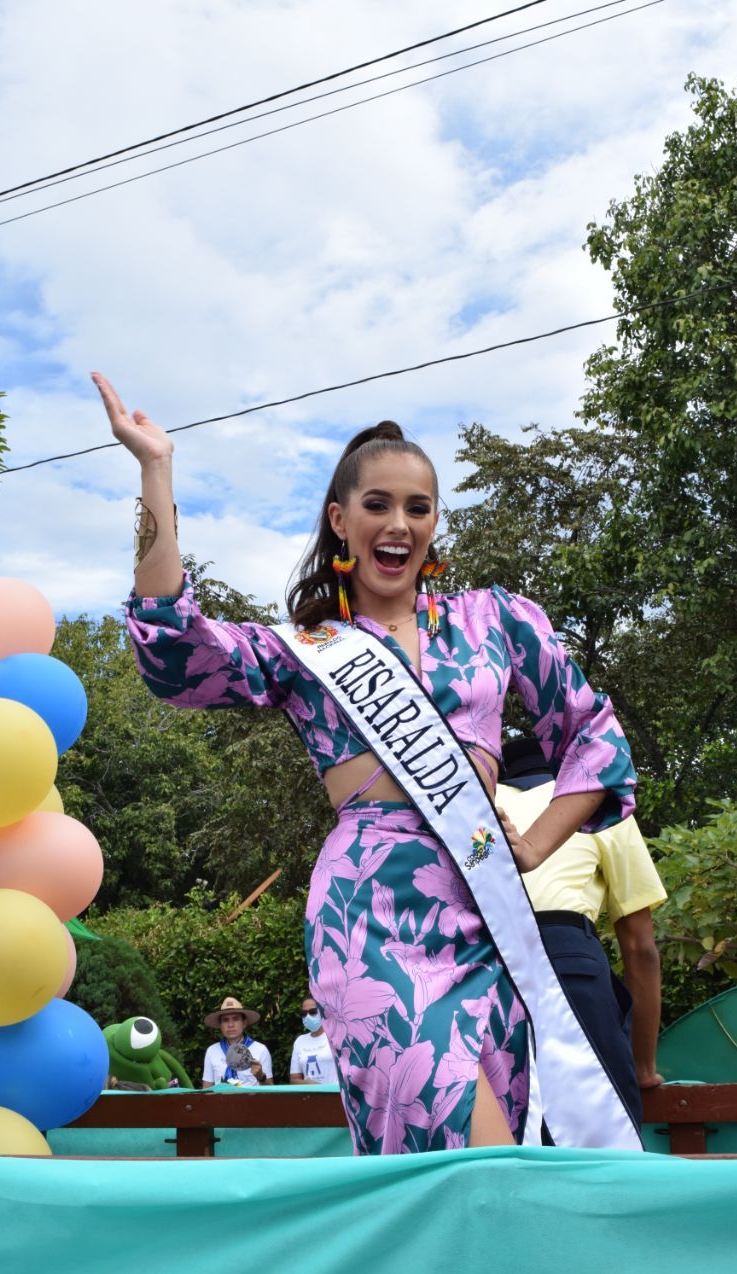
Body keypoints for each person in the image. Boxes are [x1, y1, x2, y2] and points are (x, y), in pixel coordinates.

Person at [95, 371, 639, 1155]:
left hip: (482, 905)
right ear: (339, 520)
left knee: (505, 1142)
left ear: (434, 522)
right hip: (368, 916)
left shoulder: (494, 622)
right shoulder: (303, 649)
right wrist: (155, 469)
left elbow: (595, 734)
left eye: (417, 507)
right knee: (455, 1135)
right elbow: (175, 649)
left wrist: (537, 842)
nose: (398, 524)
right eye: (377, 505)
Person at [497, 736, 666, 1126]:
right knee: (603, 1123)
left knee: (510, 1123)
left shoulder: (486, 811)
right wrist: (642, 1068)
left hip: (489, 963)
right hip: (569, 960)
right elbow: (640, 948)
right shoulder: (595, 803)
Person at [201, 996, 273, 1087]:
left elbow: (270, 1090)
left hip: (251, 1096)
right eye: (225, 1020)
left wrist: (261, 1076)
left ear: (244, 1023)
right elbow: (207, 1088)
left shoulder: (260, 1049)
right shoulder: (212, 1051)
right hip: (221, 1097)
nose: (230, 1025)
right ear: (220, 1025)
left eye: (235, 1019)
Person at [289, 997, 339, 1085]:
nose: (308, 1016)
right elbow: (294, 1079)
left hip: (335, 1092)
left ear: (323, 1011)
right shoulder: (299, 1041)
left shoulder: (336, 1036)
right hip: (309, 1093)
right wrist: (307, 1084)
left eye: (313, 1012)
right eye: (304, 1013)